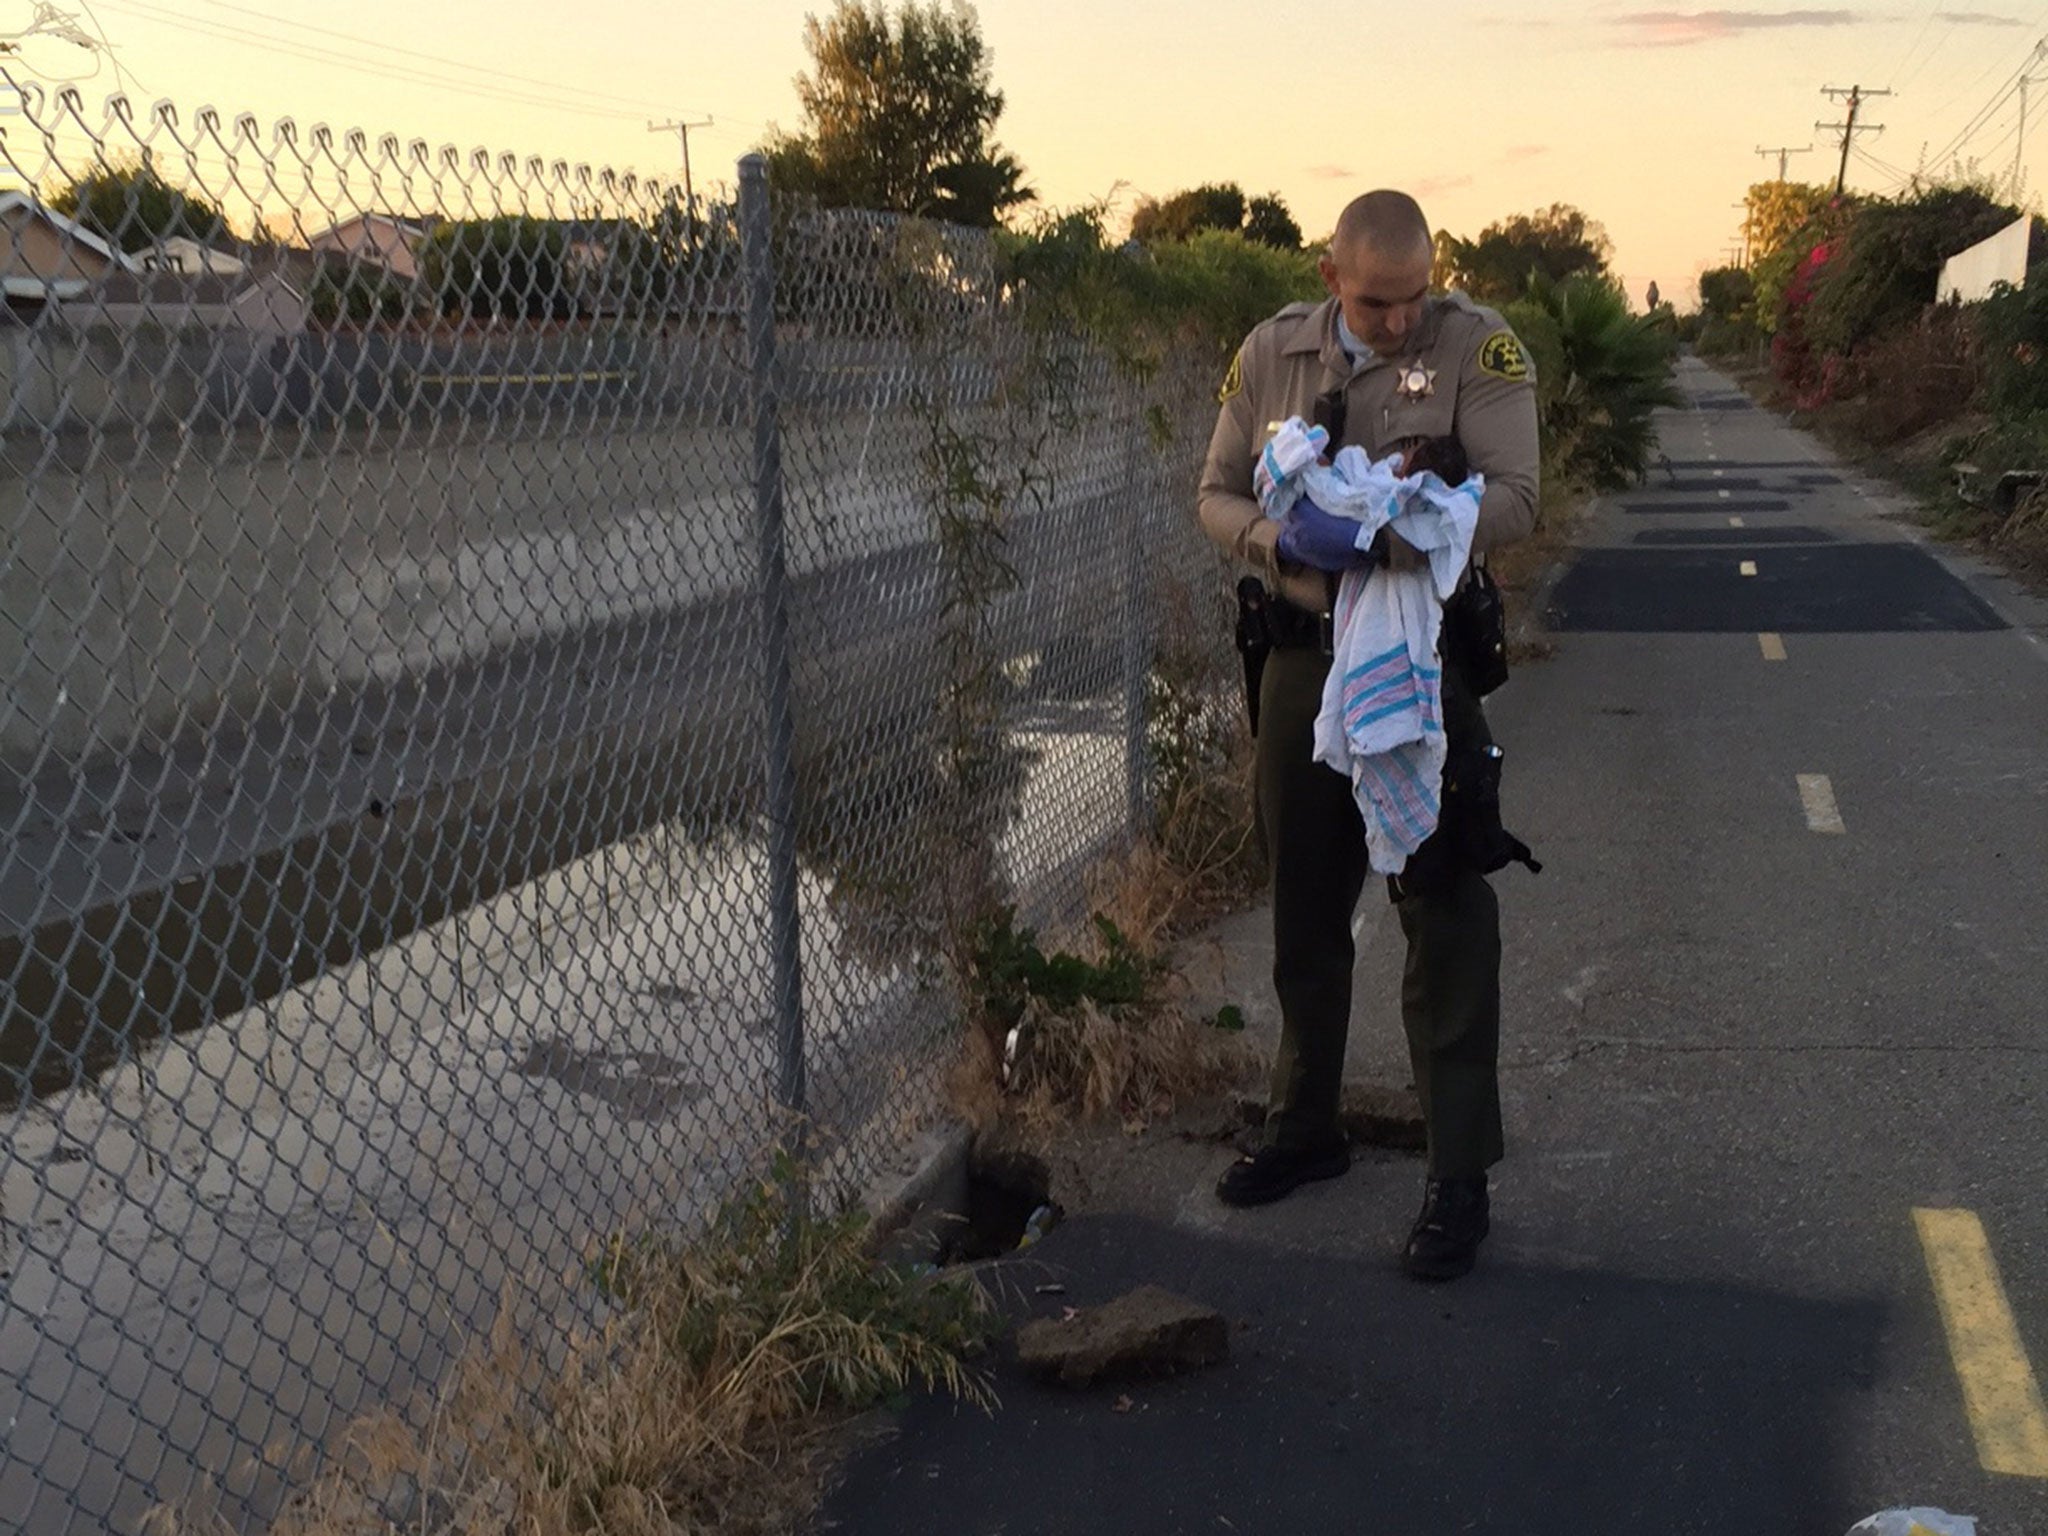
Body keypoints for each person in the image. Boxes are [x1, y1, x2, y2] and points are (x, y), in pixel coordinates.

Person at [1197, 189, 1539, 1281]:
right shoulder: (1268, 353)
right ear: (1331, 271)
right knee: (1302, 903)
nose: (1397, 322)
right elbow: (1210, 490)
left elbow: (1520, 496)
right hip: (1300, 657)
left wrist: (1409, 520)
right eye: (1376, 301)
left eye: (1413, 298)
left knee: (1440, 909)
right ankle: (1302, 1126)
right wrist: (1276, 543)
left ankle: (1455, 1173)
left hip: (1419, 662)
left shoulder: (1475, 348)